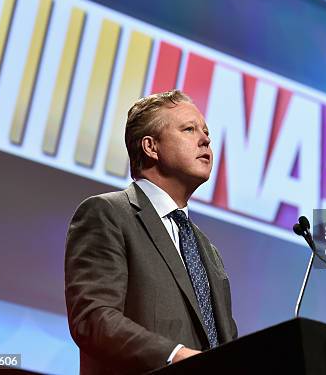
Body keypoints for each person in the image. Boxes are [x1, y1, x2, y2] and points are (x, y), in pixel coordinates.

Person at [64, 89, 237, 374]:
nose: (205, 139)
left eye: (205, 131)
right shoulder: (108, 214)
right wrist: (174, 355)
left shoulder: (208, 250)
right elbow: (94, 319)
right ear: (150, 147)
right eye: (189, 129)